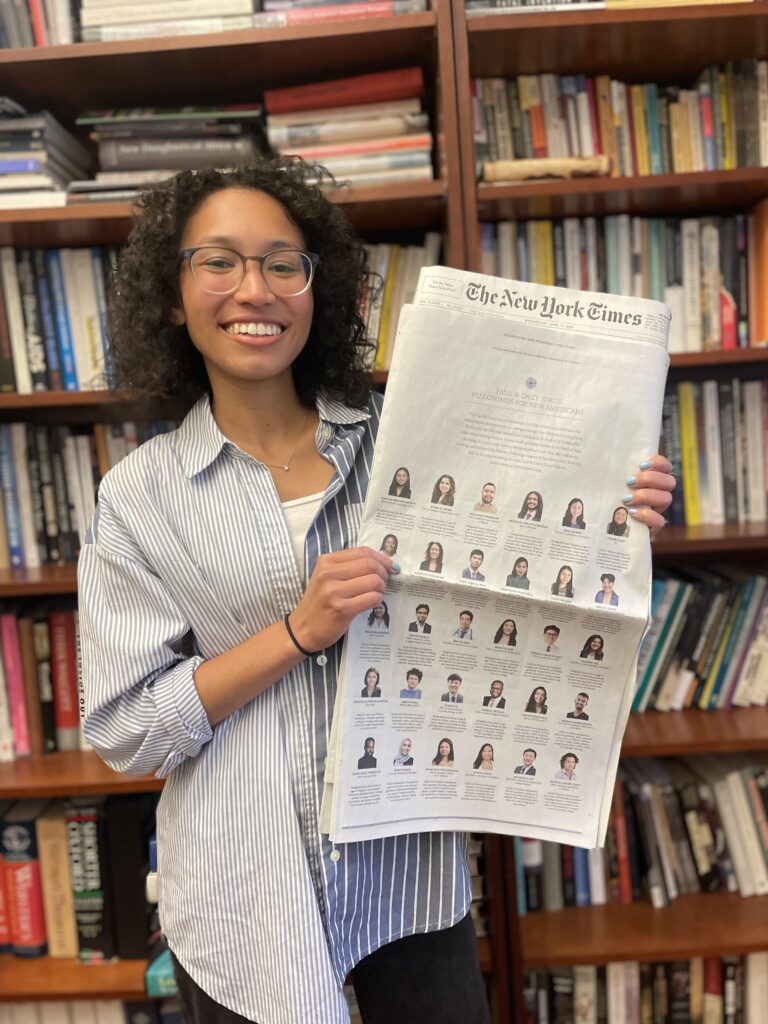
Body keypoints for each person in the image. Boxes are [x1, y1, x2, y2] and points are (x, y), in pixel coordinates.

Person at [78, 159, 674, 1023]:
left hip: (408, 871)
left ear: (317, 290)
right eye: (219, 261)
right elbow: (128, 732)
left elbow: (524, 585)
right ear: (172, 295)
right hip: (242, 891)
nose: (256, 288)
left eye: (285, 264)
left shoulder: (408, 448)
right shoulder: (137, 496)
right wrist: (297, 631)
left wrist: (613, 517)